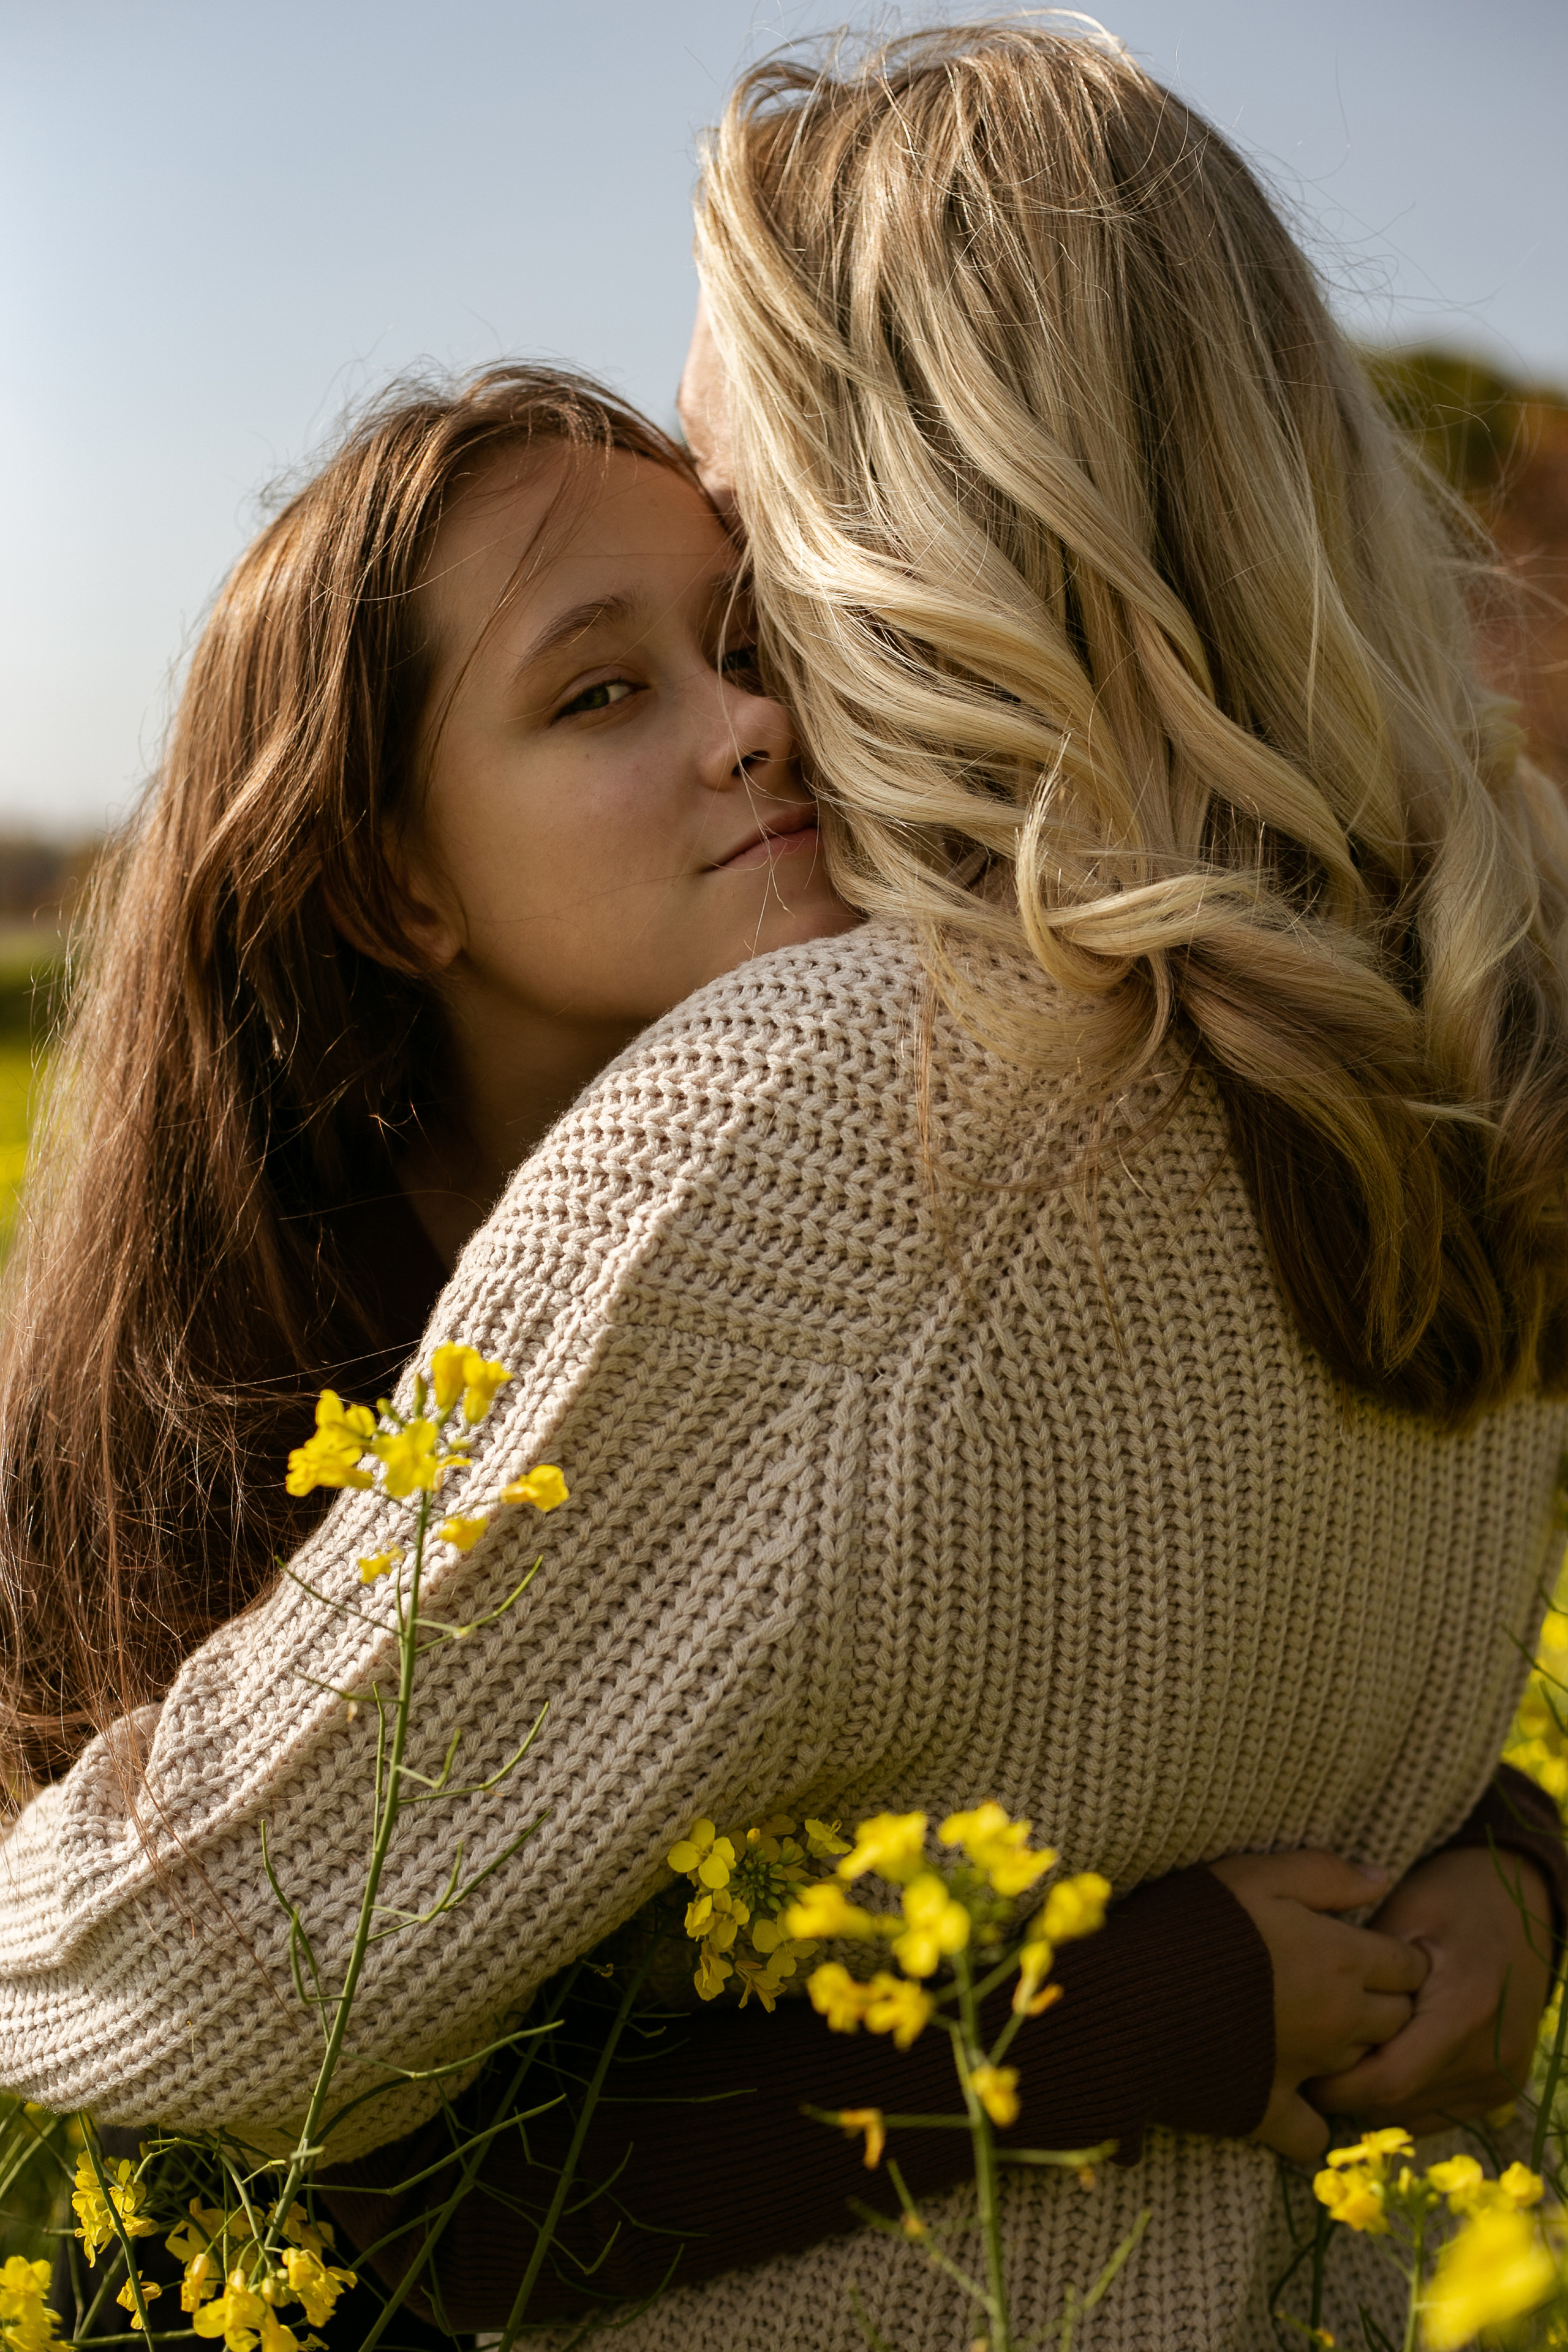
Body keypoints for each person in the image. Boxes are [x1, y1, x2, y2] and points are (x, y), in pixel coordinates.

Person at [1, 20, 1566, 2346]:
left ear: (902, 502)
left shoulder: (832, 1135)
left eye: (753, 575)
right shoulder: (1474, 1055)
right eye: (603, 685)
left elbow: (153, 1993)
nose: (756, 707)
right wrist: (1486, 1883)